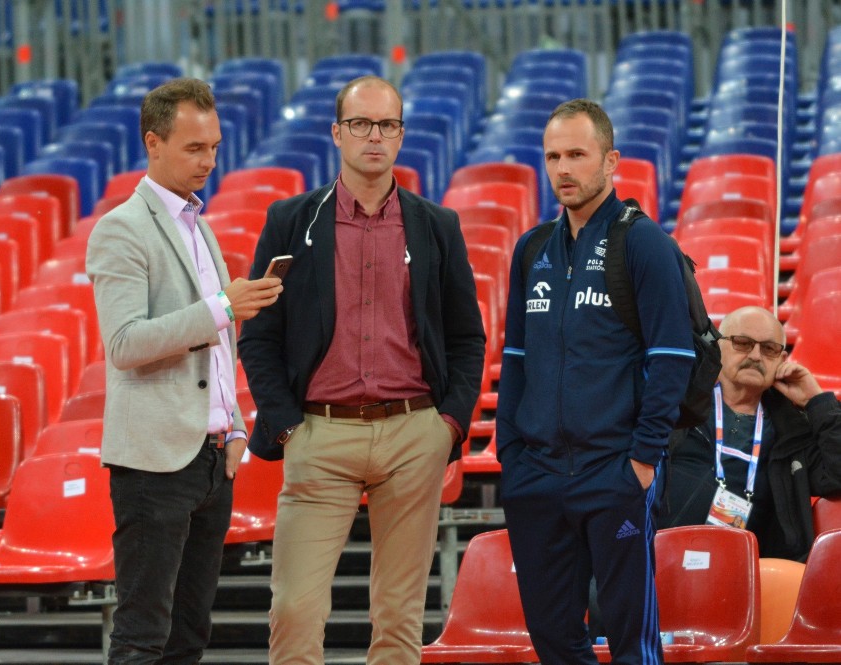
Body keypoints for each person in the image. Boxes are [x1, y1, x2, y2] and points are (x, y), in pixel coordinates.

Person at [237, 75, 485, 665]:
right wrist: (288, 427)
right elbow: (260, 336)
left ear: (401, 136)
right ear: (337, 133)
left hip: (413, 432)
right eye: (361, 124)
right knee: (295, 610)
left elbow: (466, 336)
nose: (374, 136)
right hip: (319, 434)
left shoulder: (436, 226)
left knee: (399, 619)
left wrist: (446, 426)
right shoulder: (291, 220)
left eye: (387, 125)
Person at [86, 77, 283, 664]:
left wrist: (237, 425)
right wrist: (224, 306)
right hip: (152, 463)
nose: (210, 161)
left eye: (215, 147)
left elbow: (213, 347)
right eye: (195, 148)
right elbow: (124, 344)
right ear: (154, 142)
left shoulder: (202, 227)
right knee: (143, 636)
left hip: (211, 455)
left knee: (189, 637)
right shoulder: (120, 228)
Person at [496, 98, 695, 665]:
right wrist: (512, 453)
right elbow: (514, 359)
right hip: (537, 475)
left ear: (610, 162)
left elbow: (673, 357)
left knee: (632, 641)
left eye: (577, 155)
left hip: (614, 470)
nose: (563, 168)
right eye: (553, 156)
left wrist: (641, 459)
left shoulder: (644, 242)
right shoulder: (531, 248)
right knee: (554, 639)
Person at [657, 305, 841, 560]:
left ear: (781, 360)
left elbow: (837, 474)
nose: (756, 355)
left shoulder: (792, 431)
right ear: (718, 347)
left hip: (748, 575)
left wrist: (818, 401)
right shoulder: (677, 404)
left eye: (769, 348)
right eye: (743, 343)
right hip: (655, 557)